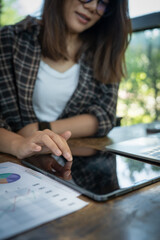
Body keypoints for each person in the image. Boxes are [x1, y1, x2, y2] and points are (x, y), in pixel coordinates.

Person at [0, 0, 131, 160]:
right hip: (14, 164)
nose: (92, 7)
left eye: (103, 2)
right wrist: (19, 144)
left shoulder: (103, 52)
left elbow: (105, 116)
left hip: (81, 170)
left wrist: (40, 129)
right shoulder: (9, 40)